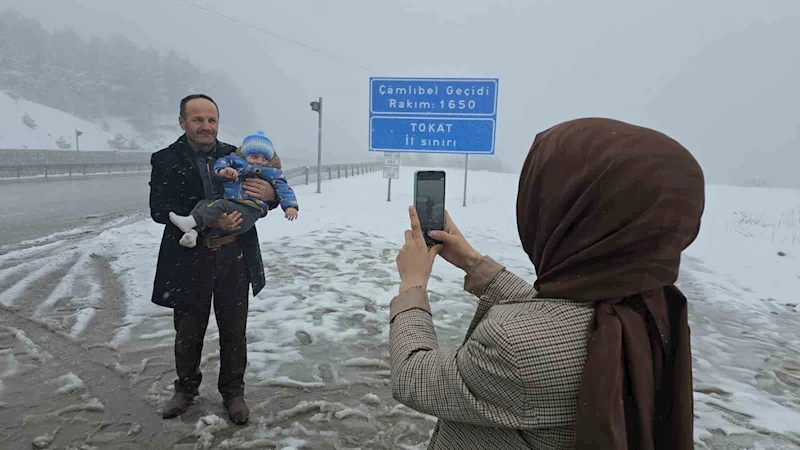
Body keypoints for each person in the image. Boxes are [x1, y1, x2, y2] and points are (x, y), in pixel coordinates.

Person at [390, 117, 704, 449]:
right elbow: (561, 316)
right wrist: (473, 262)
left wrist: (413, 284)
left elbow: (413, 376)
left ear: (568, 212)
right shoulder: (652, 310)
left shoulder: (513, 346)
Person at [149, 94, 279, 425]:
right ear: (182, 122)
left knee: (234, 329)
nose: (206, 126)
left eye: (211, 120)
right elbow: (159, 209)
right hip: (188, 257)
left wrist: (271, 194)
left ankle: (233, 392)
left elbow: (271, 183)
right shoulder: (165, 159)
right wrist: (210, 220)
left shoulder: (236, 154)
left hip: (234, 255)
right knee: (188, 329)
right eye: (197, 119)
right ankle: (185, 388)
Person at [168, 130, 299, 248]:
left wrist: (289, 205)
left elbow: (284, 188)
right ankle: (192, 233)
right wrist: (223, 171)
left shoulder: (272, 172)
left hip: (250, 211)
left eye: (265, 158)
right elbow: (221, 164)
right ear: (245, 155)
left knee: (220, 204)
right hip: (232, 205)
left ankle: (190, 222)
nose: (259, 161)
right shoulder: (234, 161)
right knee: (203, 204)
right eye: (254, 156)